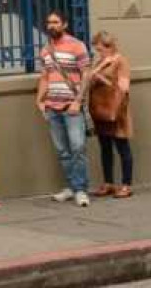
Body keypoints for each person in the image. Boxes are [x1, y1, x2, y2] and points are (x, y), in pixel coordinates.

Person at [36, 11, 92, 207]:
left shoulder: (77, 45)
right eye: (49, 22)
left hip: (71, 106)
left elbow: (86, 74)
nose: (51, 25)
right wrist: (40, 99)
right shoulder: (45, 50)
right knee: (62, 151)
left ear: (64, 24)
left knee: (77, 148)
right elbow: (45, 76)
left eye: (56, 22)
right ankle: (71, 186)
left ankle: (81, 189)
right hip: (52, 107)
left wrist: (78, 100)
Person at [88, 31, 134, 199]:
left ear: (109, 46)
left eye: (99, 48)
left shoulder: (120, 61)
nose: (98, 52)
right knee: (105, 147)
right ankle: (108, 183)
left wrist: (116, 110)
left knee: (122, 147)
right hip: (100, 109)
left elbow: (123, 87)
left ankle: (126, 185)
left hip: (115, 109)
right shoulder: (100, 61)